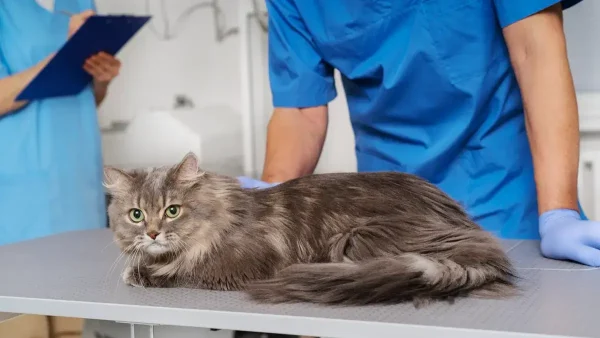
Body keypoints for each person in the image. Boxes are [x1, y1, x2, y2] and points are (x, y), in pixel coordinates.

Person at [238, 0, 600, 268]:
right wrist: (273, 197)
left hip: (508, 197)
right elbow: (300, 109)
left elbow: (536, 52)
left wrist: (558, 213)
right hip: (389, 220)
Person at [0, 1, 122, 246]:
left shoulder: (82, 3)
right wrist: (67, 55)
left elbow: (87, 99)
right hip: (22, 187)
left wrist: (101, 79)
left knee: (87, 273)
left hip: (81, 177)